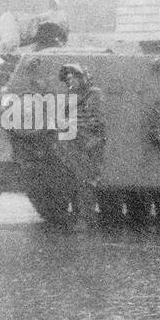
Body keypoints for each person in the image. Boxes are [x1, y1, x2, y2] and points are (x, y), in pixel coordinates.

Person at [58, 63, 106, 225]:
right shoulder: (70, 95)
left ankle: (85, 218)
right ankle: (78, 215)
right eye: (68, 79)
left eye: (74, 77)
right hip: (72, 144)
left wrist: (68, 122)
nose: (71, 81)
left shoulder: (93, 94)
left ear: (82, 78)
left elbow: (94, 119)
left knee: (86, 181)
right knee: (72, 180)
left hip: (89, 143)